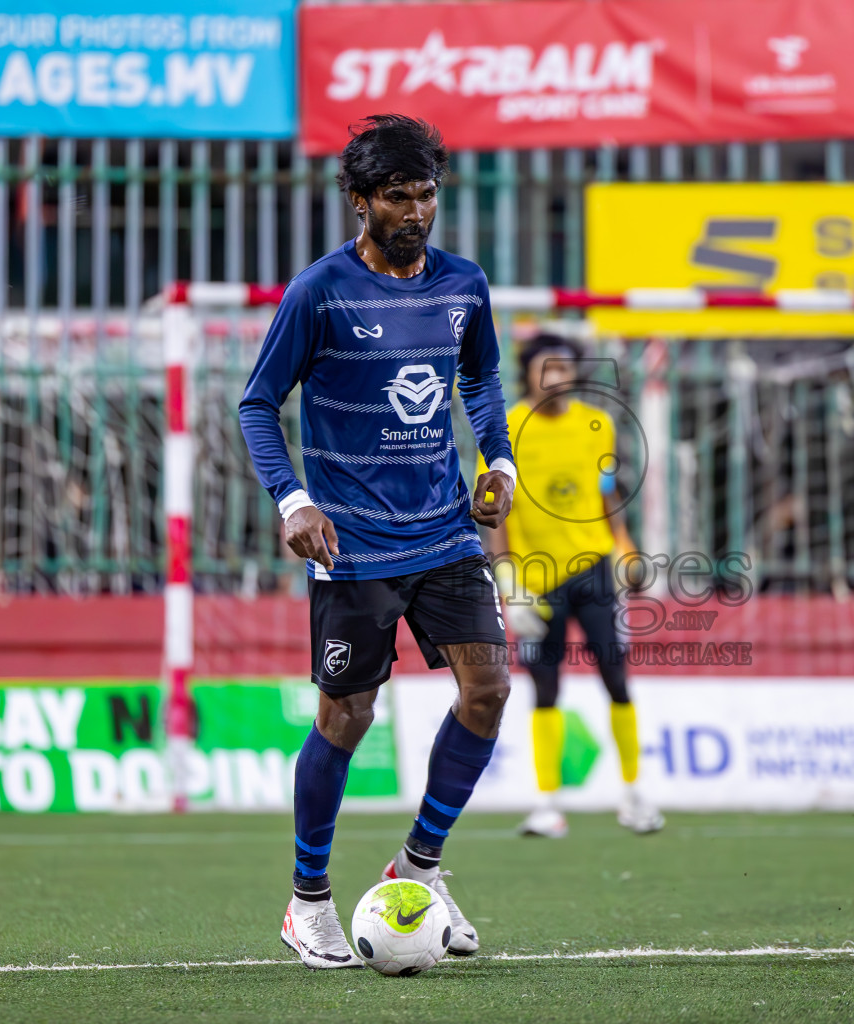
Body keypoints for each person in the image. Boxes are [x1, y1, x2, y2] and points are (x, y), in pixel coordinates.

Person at [239, 114, 518, 970]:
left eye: (426, 194)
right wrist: (293, 503)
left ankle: (421, 868)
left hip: (443, 533)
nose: (416, 211)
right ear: (359, 201)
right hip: (351, 543)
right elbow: (258, 405)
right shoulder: (318, 292)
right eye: (397, 196)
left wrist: (498, 458)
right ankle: (308, 901)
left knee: (490, 688)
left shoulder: (464, 285)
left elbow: (478, 378)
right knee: (347, 716)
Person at [481, 335, 664, 838]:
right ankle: (547, 805)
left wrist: (625, 547)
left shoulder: (596, 424)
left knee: (616, 677)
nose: (558, 377)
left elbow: (607, 491)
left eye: (565, 367)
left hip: (594, 568)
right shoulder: (506, 428)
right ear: (528, 374)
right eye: (548, 368)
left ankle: (634, 795)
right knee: (544, 688)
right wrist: (507, 578)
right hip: (536, 580)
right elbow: (495, 509)